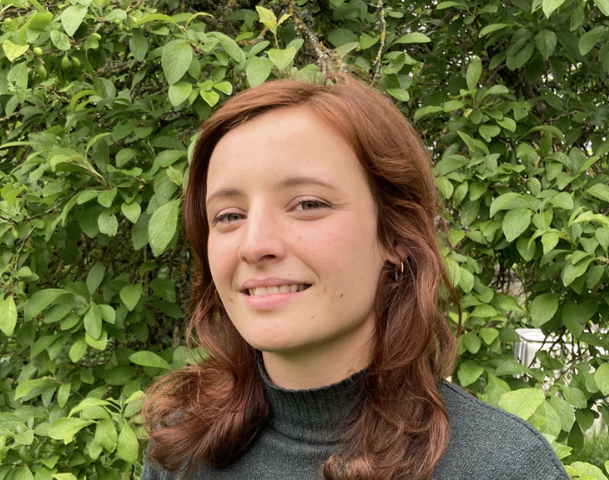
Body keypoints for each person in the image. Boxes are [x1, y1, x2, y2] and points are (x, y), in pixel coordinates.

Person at [141, 75, 568, 480]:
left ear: (396, 235)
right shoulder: (182, 447)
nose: (253, 245)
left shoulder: (504, 466)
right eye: (229, 215)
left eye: (308, 204)